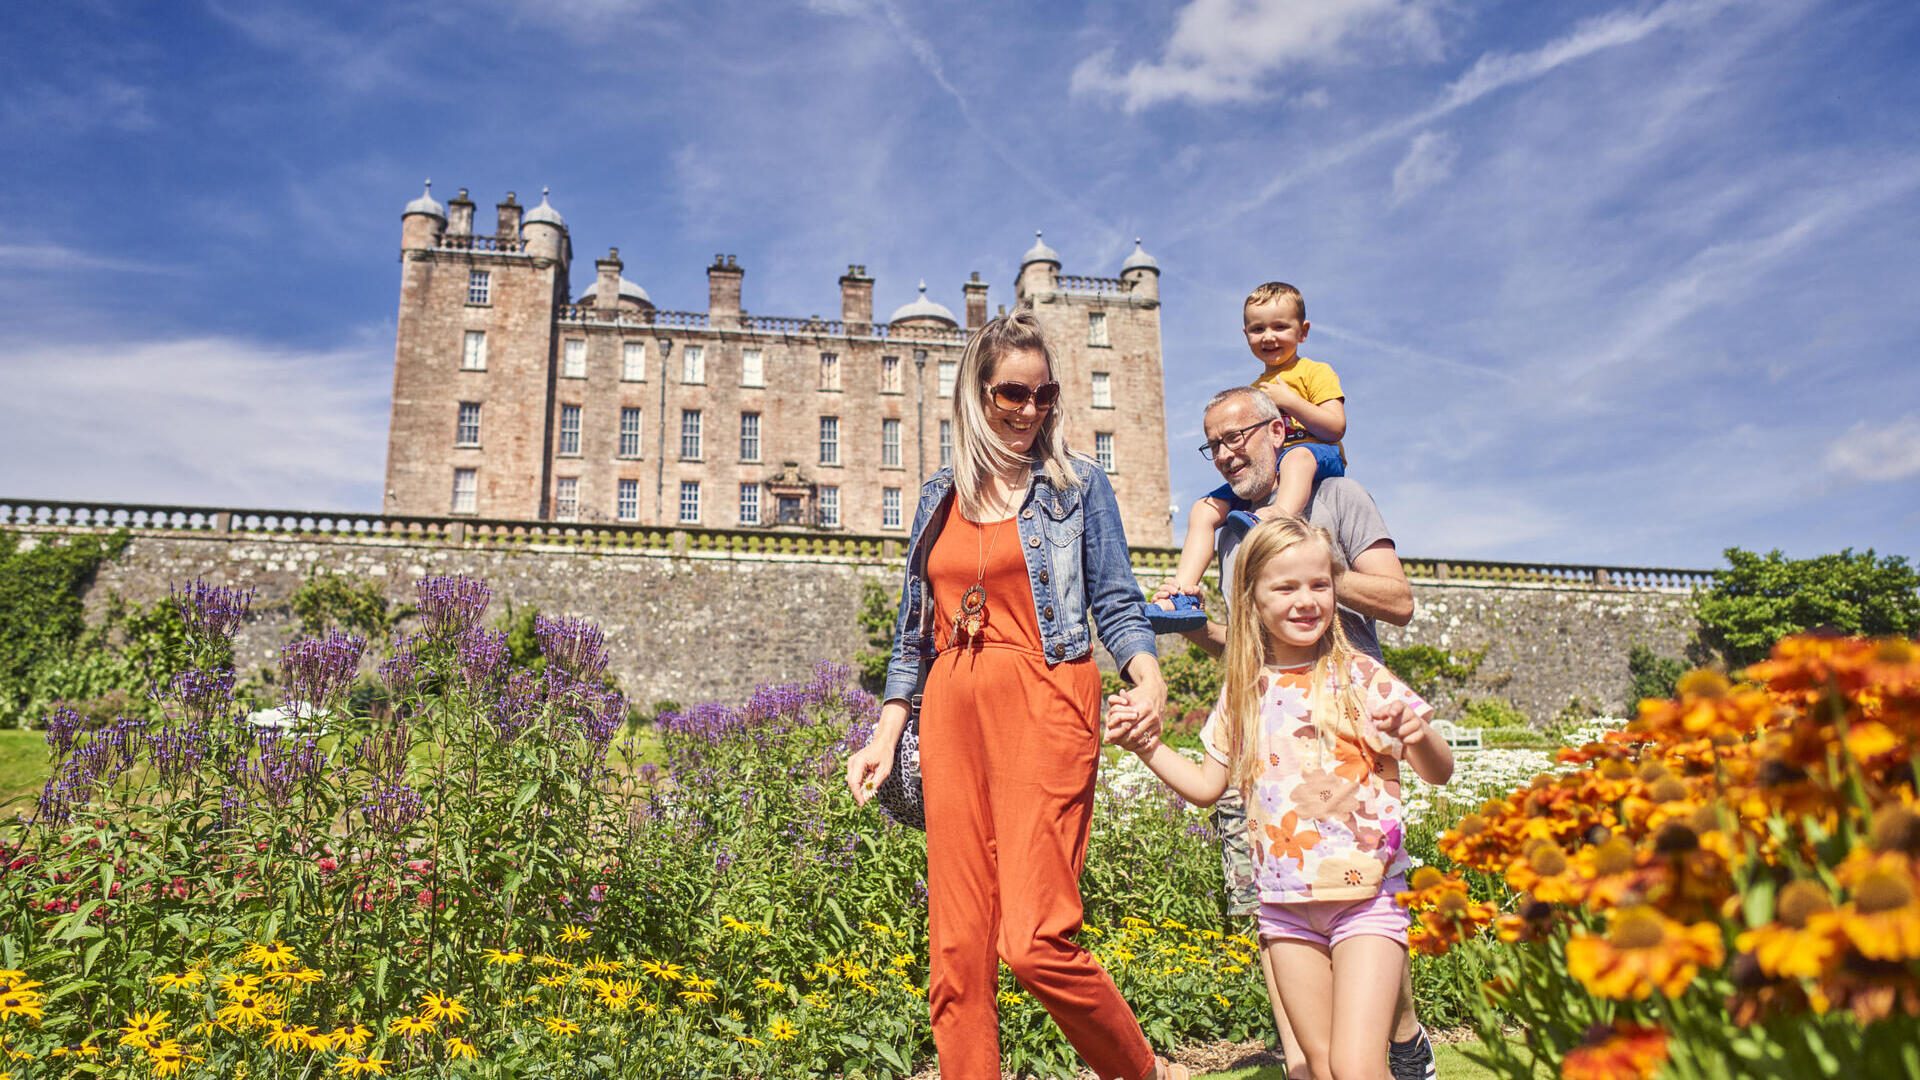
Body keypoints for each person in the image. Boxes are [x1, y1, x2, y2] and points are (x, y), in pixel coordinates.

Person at [845, 306, 1185, 1080]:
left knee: (1034, 940)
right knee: (958, 946)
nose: (1030, 411)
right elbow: (911, 634)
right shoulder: (936, 498)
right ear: (977, 394)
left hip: (1047, 695)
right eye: (1012, 395)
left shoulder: (1076, 486)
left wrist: (1148, 672)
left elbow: (1118, 600)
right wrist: (885, 734)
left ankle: (1143, 1073)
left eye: (1044, 395)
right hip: (953, 710)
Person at [1158, 386, 1437, 1080]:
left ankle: (1404, 1035)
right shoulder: (1225, 532)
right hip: (1270, 769)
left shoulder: (1340, 500)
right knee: (1316, 1056)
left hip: (1352, 747)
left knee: (1360, 1041)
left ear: (1277, 430)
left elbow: (1399, 600)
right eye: (1212, 444)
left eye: (1236, 438)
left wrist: (1322, 573)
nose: (1225, 454)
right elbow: (1244, 650)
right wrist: (1187, 623)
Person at [1111, 517, 1452, 1080]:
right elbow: (1205, 787)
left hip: (1367, 898)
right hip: (1285, 907)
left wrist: (1418, 735)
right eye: (1286, 587)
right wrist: (1147, 747)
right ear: (1252, 600)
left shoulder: (1363, 677)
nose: (1307, 600)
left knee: (1356, 1064)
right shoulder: (1244, 690)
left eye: (1320, 585)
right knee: (1318, 1066)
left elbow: (1439, 773)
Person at [1147, 282, 1348, 633]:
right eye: (1258, 329)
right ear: (1246, 334)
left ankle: (1277, 518)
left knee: (1296, 457)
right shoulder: (1257, 388)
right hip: (1275, 465)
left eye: (1280, 327)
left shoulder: (1315, 372)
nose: (1268, 336)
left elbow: (1336, 426)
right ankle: (1183, 593)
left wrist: (1291, 402)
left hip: (1317, 454)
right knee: (1203, 509)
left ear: (1303, 332)